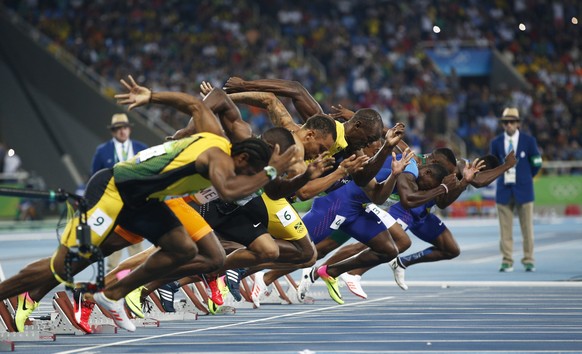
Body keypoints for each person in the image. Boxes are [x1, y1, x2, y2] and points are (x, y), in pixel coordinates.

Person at [0, 85, 298, 332]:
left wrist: (151, 96)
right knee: (65, 265)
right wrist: (272, 171)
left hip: (145, 201)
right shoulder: (218, 160)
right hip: (113, 190)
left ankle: (114, 293)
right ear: (243, 160)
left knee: (184, 249)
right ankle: (12, 295)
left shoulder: (216, 134)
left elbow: (195, 104)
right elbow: (229, 190)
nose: (248, 179)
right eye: (250, 174)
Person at [91, 113, 148, 272]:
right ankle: (110, 285)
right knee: (112, 244)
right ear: (113, 131)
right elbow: (95, 177)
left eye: (125, 128)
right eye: (118, 129)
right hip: (112, 203)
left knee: (136, 245)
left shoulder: (141, 148)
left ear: (129, 129)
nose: (122, 131)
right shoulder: (102, 151)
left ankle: (137, 283)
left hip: (136, 202)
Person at [490, 107, 542, 272]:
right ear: (503, 125)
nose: (509, 125)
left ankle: (529, 259)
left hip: (524, 189)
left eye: (512, 122)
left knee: (527, 228)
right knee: (505, 229)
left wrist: (525, 177)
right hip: (504, 189)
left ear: (518, 123)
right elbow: (492, 165)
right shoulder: (496, 143)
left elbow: (537, 163)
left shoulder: (529, 141)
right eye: (506, 122)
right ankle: (507, 260)